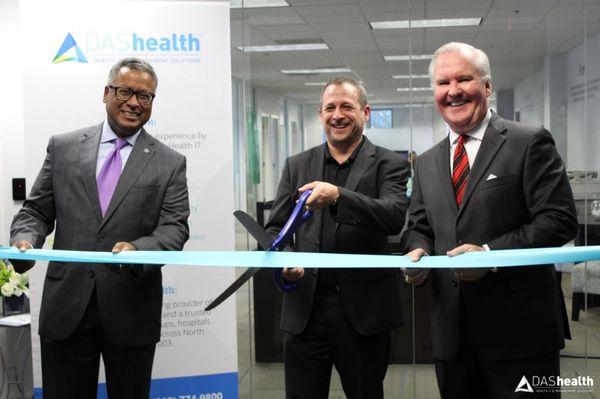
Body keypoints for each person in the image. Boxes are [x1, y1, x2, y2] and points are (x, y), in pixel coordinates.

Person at [402, 42, 577, 398]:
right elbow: (418, 225)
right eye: (442, 83)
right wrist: (417, 251)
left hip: (521, 333)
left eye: (464, 79)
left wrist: (490, 253)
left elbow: (559, 219)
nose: (453, 91)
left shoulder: (529, 142)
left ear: (487, 86)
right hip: (452, 334)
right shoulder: (428, 161)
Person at [10, 58, 190, 399]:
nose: (134, 103)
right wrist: (25, 239)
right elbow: (36, 210)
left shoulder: (170, 162)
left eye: (145, 96)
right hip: (67, 308)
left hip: (132, 308)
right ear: (107, 93)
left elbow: (174, 228)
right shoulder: (63, 147)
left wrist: (139, 250)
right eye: (126, 92)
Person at [265, 77, 410, 399]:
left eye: (347, 106)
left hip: (363, 313)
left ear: (365, 112)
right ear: (320, 114)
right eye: (330, 107)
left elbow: (393, 216)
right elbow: (275, 229)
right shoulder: (297, 165)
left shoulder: (391, 164)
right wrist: (285, 257)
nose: (338, 115)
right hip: (305, 310)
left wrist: (338, 196)